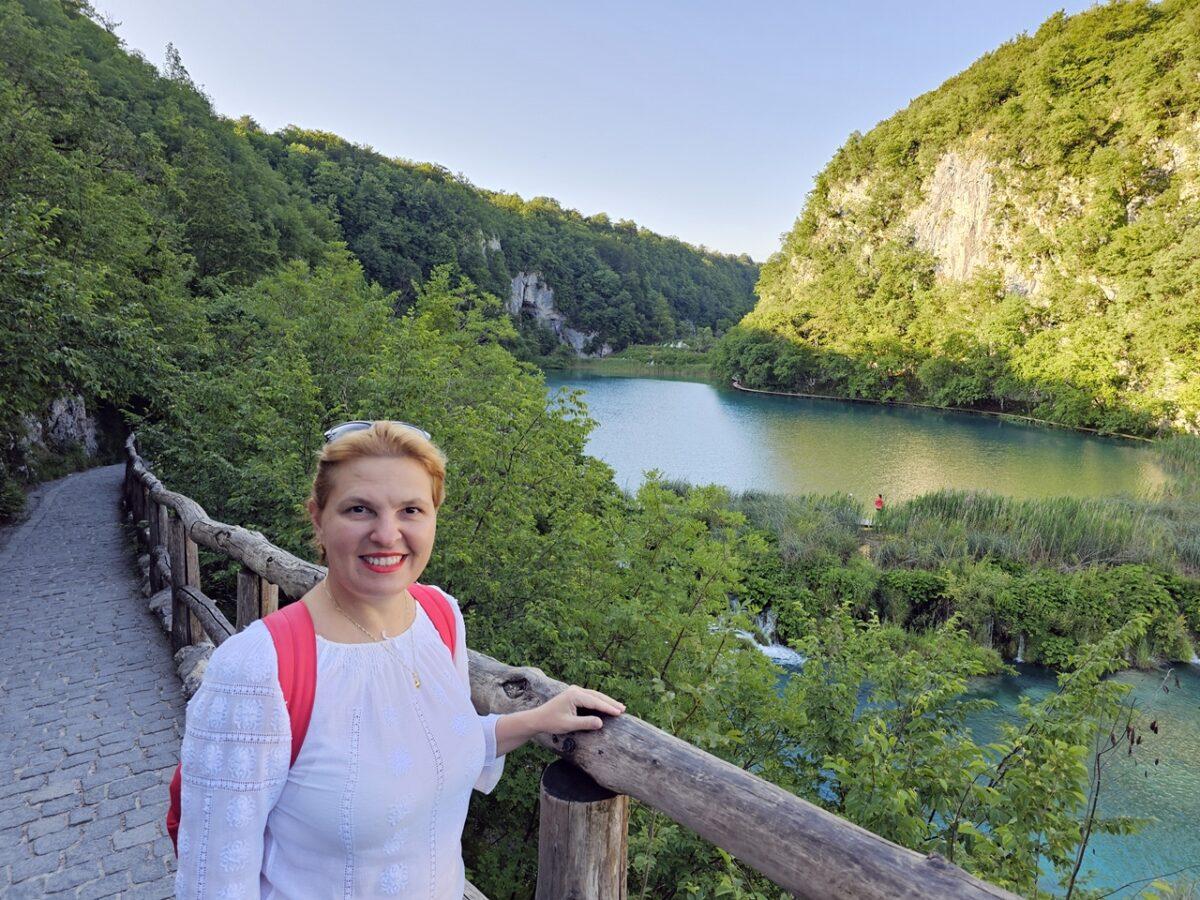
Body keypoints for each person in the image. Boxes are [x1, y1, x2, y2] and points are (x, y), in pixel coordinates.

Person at [174, 420, 624, 898]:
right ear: (318, 518)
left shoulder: (438, 617)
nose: (387, 534)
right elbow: (214, 880)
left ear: (434, 516)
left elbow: (436, 746)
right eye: (359, 509)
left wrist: (537, 720)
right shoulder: (258, 669)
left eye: (411, 509)